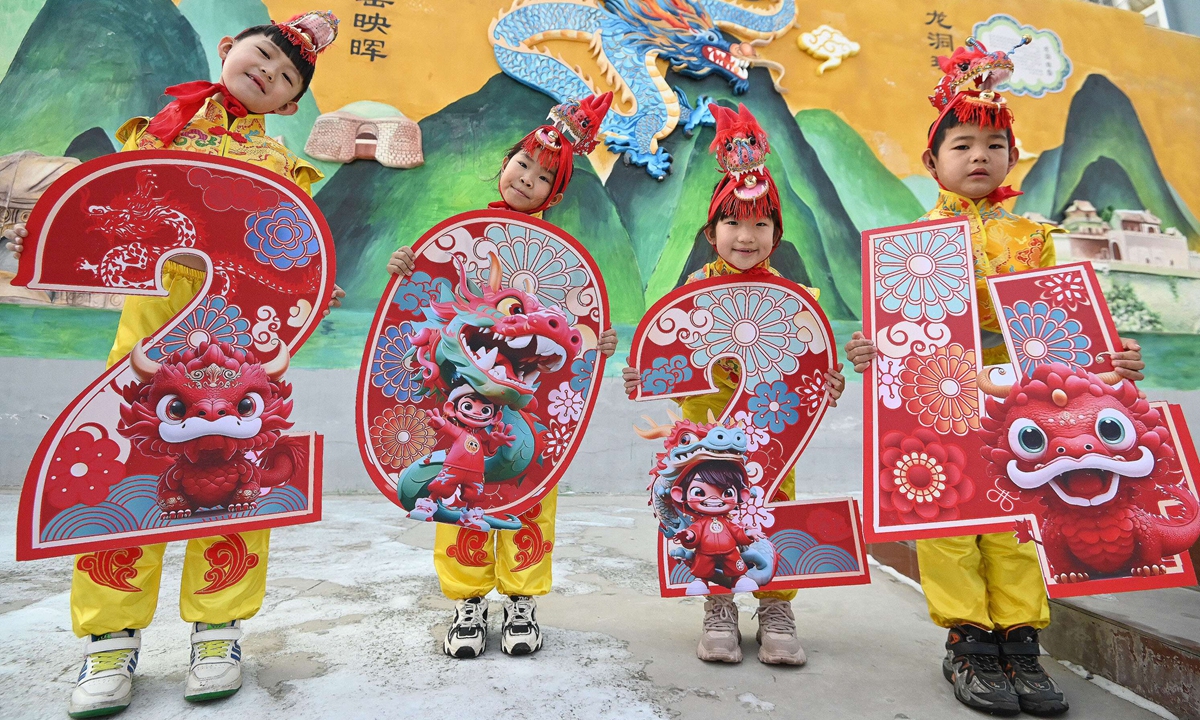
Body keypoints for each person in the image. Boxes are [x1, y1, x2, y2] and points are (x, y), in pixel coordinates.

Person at [5, 12, 341, 717]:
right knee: (124, 477)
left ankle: (217, 633)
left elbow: (294, 266)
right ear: (229, 49)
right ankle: (109, 642)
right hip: (145, 349)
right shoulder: (150, 137)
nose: (270, 72)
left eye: (286, 78)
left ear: (286, 106)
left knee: (235, 486)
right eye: (265, 55)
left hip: (241, 355)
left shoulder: (282, 171)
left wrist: (313, 284)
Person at [844, 39, 1146, 717]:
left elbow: (1065, 331)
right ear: (932, 162)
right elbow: (896, 336)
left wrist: (1111, 365)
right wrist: (871, 352)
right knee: (950, 520)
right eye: (961, 144)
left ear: (1011, 158)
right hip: (938, 400)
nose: (977, 155)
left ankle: (1020, 641)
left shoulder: (1033, 238)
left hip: (1020, 402)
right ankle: (969, 641)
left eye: (992, 143)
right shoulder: (908, 247)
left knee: (1017, 520)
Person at [386, 92, 619, 660]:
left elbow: (575, 333)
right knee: (458, 480)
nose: (527, 179)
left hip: (526, 405)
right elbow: (426, 305)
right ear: (505, 161)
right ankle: (466, 604)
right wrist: (404, 269)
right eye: (523, 163)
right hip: (462, 399)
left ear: (555, 194)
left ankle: (520, 601)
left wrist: (599, 341)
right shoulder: (460, 238)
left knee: (528, 492)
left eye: (543, 177)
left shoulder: (562, 258)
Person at [622, 103, 845, 666]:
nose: (746, 236)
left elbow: (810, 371)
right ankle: (718, 602)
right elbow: (670, 361)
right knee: (710, 508)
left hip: (772, 427)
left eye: (760, 224)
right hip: (706, 430)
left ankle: (776, 605)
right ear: (710, 229)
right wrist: (645, 373)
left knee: (774, 505)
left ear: (777, 233)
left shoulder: (799, 301)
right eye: (733, 223)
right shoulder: (690, 292)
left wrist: (827, 384)